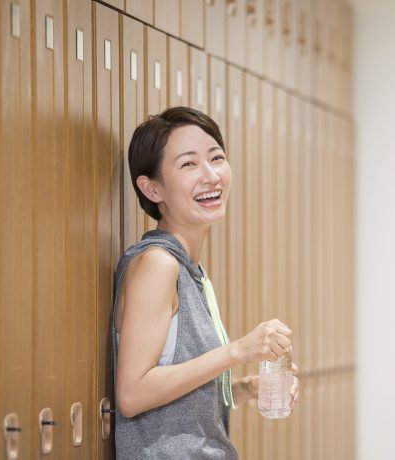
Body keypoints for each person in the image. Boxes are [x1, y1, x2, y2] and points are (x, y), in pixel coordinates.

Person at [111, 106, 300, 459]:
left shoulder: (189, 269)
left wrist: (245, 388)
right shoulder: (157, 264)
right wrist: (238, 351)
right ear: (152, 188)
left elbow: (176, 388)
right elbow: (132, 394)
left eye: (217, 158)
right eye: (188, 164)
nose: (211, 175)